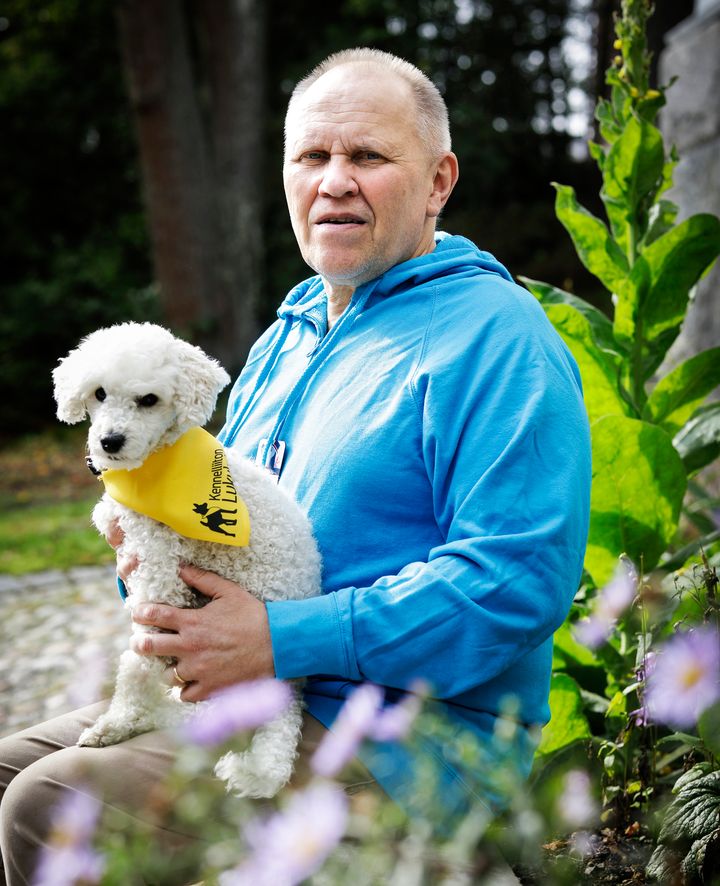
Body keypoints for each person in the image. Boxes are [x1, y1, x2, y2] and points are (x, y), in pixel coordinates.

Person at [0, 47, 591, 881]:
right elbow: (214, 526)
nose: (334, 181)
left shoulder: (499, 338)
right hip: (253, 698)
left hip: (410, 744)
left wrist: (281, 639)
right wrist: (151, 577)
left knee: (49, 804)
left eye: (368, 156)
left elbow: (514, 582)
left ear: (439, 181)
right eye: (312, 156)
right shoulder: (287, 337)